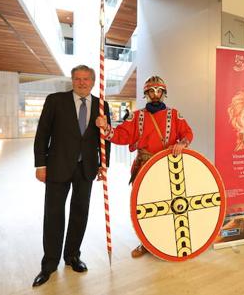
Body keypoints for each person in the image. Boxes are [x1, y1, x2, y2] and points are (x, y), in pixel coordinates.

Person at [96, 75, 193, 258]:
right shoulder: (136, 116)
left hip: (168, 166)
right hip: (144, 166)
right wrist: (106, 128)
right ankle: (146, 243)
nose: (155, 95)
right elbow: (121, 136)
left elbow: (187, 133)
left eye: (159, 91)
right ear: (146, 94)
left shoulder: (175, 115)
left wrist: (182, 143)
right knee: (145, 206)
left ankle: (168, 241)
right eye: (151, 91)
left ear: (164, 94)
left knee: (171, 204)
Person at [32, 65, 111, 287]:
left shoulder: (101, 106)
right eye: (77, 79)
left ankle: (72, 256)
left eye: (86, 79)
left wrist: (103, 166)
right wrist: (40, 164)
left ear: (93, 82)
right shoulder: (55, 100)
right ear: (72, 80)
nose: (82, 82)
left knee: (80, 212)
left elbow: (106, 140)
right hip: (57, 166)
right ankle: (48, 264)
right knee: (54, 214)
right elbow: (42, 134)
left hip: (86, 168)